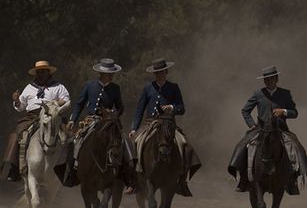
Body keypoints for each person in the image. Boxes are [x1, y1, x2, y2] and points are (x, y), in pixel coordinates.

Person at [227, 66, 307, 192]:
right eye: (266, 79)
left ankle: (293, 180)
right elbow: (245, 110)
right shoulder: (258, 93)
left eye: (271, 79)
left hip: (280, 129)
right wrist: (251, 125)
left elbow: (295, 113)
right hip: (260, 129)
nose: (269, 81)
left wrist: (283, 111)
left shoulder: (285, 94)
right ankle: (243, 179)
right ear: (264, 81)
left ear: (277, 79)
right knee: (242, 145)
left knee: (297, 146)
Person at [57, 58, 134, 188]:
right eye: (109, 73)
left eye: (112, 73)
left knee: (123, 140)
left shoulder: (115, 88)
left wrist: (113, 113)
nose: (111, 75)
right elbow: (80, 104)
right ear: (102, 73)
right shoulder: (89, 85)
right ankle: (73, 169)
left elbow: (120, 107)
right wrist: (72, 120)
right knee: (76, 140)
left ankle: (128, 174)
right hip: (91, 119)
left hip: (109, 121)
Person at [131, 59, 200, 195]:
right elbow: (140, 109)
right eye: (156, 72)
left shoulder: (174, 87)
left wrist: (172, 107)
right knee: (137, 142)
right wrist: (134, 128)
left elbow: (182, 108)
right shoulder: (147, 88)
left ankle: (182, 181)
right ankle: (135, 178)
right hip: (150, 122)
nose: (159, 74)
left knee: (184, 144)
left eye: (161, 71)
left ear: (166, 71)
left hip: (168, 123)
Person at [1, 60, 70, 182]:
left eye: (43, 71)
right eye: (39, 72)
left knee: (68, 136)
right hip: (31, 116)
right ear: (36, 74)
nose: (41, 74)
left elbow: (66, 100)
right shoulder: (29, 88)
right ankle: (14, 167)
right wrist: (16, 100)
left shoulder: (58, 86)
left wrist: (53, 104)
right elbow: (21, 106)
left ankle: (69, 170)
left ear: (49, 73)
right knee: (17, 133)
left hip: (51, 114)